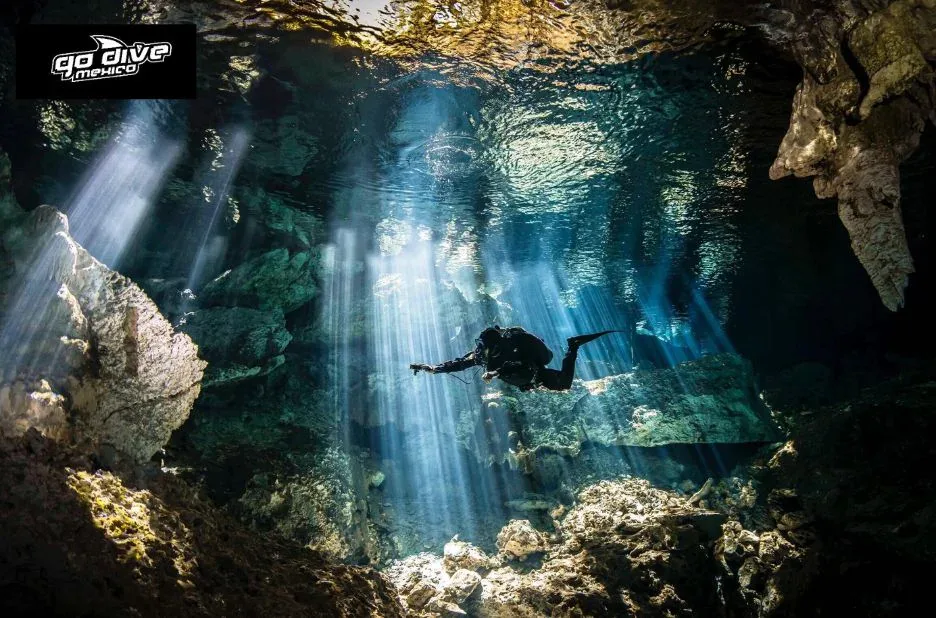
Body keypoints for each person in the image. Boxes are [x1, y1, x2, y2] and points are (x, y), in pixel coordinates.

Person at [409, 325, 620, 391]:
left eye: (483, 347)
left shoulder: (513, 346)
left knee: (564, 384)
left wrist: (495, 372)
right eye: (479, 346)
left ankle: (573, 346)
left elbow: (522, 364)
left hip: (534, 369)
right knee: (561, 385)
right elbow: (459, 364)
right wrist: (434, 368)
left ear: (495, 346)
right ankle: (572, 347)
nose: (479, 350)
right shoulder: (482, 355)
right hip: (526, 379)